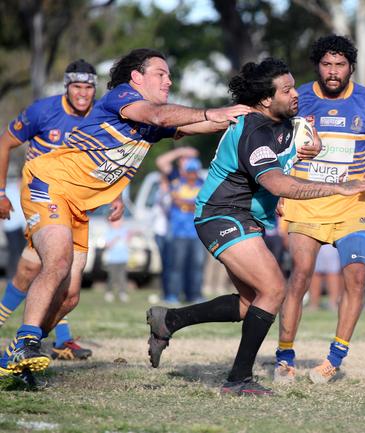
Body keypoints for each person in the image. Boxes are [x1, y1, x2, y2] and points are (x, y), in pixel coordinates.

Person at [0, 48, 251, 379]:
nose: (168, 80)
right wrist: (214, 110)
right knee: (56, 263)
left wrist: (249, 116)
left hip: (79, 205)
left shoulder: (151, 121)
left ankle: (15, 356)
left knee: (71, 297)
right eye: (160, 74)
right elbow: (166, 116)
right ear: (137, 77)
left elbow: (198, 125)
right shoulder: (123, 96)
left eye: (169, 75)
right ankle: (25, 339)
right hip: (48, 183)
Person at [145, 57, 365, 396]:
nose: (295, 93)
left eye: (293, 86)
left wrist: (311, 148)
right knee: (274, 290)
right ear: (266, 99)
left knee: (249, 303)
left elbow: (301, 146)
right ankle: (238, 379)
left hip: (245, 217)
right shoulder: (254, 130)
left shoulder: (285, 120)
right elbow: (278, 184)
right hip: (221, 214)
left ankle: (169, 320)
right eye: (286, 90)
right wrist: (339, 188)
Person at [274, 35, 365, 384]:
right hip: (307, 201)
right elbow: (275, 143)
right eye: (327, 65)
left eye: (340, 65)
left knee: (357, 278)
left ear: (350, 67)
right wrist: (281, 185)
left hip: (351, 205)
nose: (333, 72)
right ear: (318, 65)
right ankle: (285, 355)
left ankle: (334, 358)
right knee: (299, 275)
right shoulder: (298, 98)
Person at [0, 59, 109, 363]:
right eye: (77, 86)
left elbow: (110, 158)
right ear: (66, 86)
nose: (83, 93)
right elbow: (4, 144)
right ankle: (52, 340)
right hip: (41, 195)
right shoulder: (42, 111)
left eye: (88, 87)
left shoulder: (101, 115)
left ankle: (49, 341)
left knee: (37, 274)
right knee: (54, 266)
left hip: (76, 201)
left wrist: (118, 196)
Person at [156, 151, 206, 303]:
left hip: (197, 233)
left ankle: (195, 295)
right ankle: (172, 295)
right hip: (178, 232)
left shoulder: (203, 185)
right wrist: (191, 203)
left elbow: (200, 205)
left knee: (196, 266)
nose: (192, 175)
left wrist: (186, 203)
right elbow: (176, 200)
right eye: (189, 171)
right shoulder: (177, 184)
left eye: (194, 172)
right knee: (176, 266)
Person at [102, 217, 131, 303]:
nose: (119, 223)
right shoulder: (109, 232)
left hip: (123, 258)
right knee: (112, 277)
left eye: (120, 220)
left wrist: (130, 236)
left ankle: (122, 293)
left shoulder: (124, 230)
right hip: (112, 260)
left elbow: (128, 241)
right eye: (116, 221)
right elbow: (107, 245)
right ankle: (109, 292)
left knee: (122, 277)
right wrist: (115, 239)